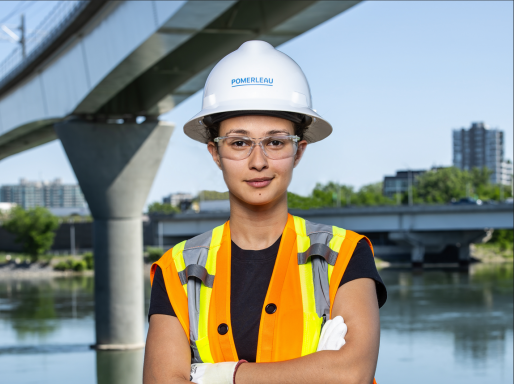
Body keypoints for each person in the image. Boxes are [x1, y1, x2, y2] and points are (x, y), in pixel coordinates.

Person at [144, 40, 387, 384]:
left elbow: (350, 373)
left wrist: (222, 376)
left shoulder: (344, 255)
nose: (258, 162)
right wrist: (312, 372)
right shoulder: (178, 271)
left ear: (298, 151)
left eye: (275, 142)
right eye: (239, 143)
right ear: (215, 153)